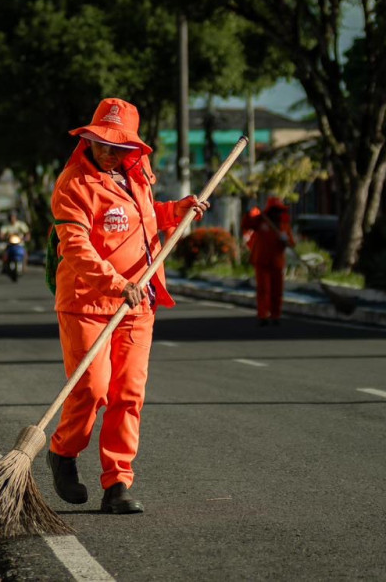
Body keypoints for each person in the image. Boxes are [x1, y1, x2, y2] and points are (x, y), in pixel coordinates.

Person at [47, 97, 209, 515]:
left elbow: (144, 219)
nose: (110, 152)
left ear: (133, 149)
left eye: (119, 145)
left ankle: (117, 481)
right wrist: (116, 284)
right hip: (87, 303)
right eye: (103, 142)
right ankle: (63, 452)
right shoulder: (73, 184)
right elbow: (77, 247)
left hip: (138, 306)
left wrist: (178, 211)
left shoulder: (135, 178)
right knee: (91, 389)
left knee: (128, 394)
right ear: (89, 139)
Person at [242, 197, 296, 326]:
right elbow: (246, 224)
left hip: (277, 262)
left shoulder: (284, 226)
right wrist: (249, 211)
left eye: (279, 210)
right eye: (275, 210)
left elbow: (291, 243)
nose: (277, 213)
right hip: (262, 261)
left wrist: (285, 241)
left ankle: (275, 315)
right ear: (270, 211)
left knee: (277, 291)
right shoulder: (261, 221)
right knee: (263, 289)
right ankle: (263, 315)